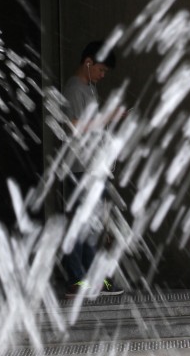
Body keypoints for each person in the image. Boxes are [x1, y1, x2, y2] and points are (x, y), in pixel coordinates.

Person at [62, 40, 124, 297]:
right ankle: (77, 280)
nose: (102, 75)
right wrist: (108, 117)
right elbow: (75, 126)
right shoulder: (74, 88)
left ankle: (91, 279)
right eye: (101, 69)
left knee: (90, 226)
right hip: (80, 168)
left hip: (92, 167)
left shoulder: (89, 88)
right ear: (88, 62)